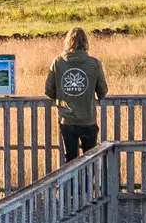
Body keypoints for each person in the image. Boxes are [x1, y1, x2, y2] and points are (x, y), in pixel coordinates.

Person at [44, 26, 107, 161]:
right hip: (88, 119)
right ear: (85, 42)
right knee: (89, 160)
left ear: (68, 42)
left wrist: (62, 97)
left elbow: (48, 90)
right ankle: (88, 182)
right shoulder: (94, 63)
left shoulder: (58, 62)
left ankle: (71, 182)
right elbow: (103, 91)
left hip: (67, 120)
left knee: (70, 160)